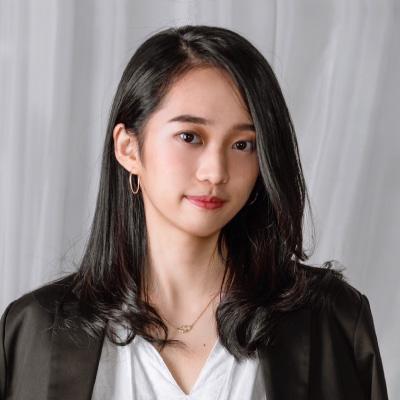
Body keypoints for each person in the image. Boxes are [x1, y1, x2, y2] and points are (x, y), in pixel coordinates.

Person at [0, 25, 388, 400]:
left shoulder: (332, 320)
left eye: (243, 144)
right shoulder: (34, 329)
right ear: (128, 148)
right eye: (190, 137)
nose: (215, 172)